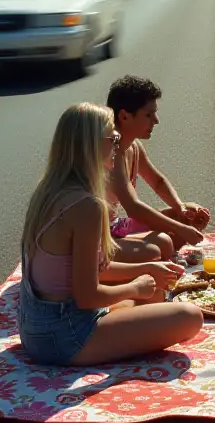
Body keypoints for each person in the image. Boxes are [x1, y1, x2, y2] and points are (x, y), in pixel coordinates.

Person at [17, 102, 203, 366]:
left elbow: (87, 271)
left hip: (35, 327)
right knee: (188, 316)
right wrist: (134, 285)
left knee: (154, 294)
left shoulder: (49, 190)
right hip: (65, 336)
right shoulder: (87, 206)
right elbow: (87, 295)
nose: (118, 144)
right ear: (90, 146)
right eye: (112, 138)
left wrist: (147, 268)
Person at [105, 76, 211, 259]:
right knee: (162, 243)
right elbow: (133, 207)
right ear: (124, 116)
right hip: (100, 235)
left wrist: (181, 208)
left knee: (186, 216)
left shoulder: (134, 146)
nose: (156, 121)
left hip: (118, 225)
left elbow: (157, 181)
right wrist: (181, 229)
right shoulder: (109, 152)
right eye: (148, 115)